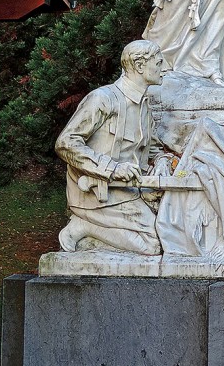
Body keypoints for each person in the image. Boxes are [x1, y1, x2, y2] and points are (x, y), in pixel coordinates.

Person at [55, 40, 167, 255]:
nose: (164, 67)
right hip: (96, 195)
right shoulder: (103, 99)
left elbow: (153, 148)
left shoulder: (144, 106)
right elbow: (66, 143)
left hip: (131, 192)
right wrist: (112, 168)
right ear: (140, 65)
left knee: (170, 231)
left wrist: (161, 162)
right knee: (154, 245)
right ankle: (85, 225)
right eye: (159, 62)